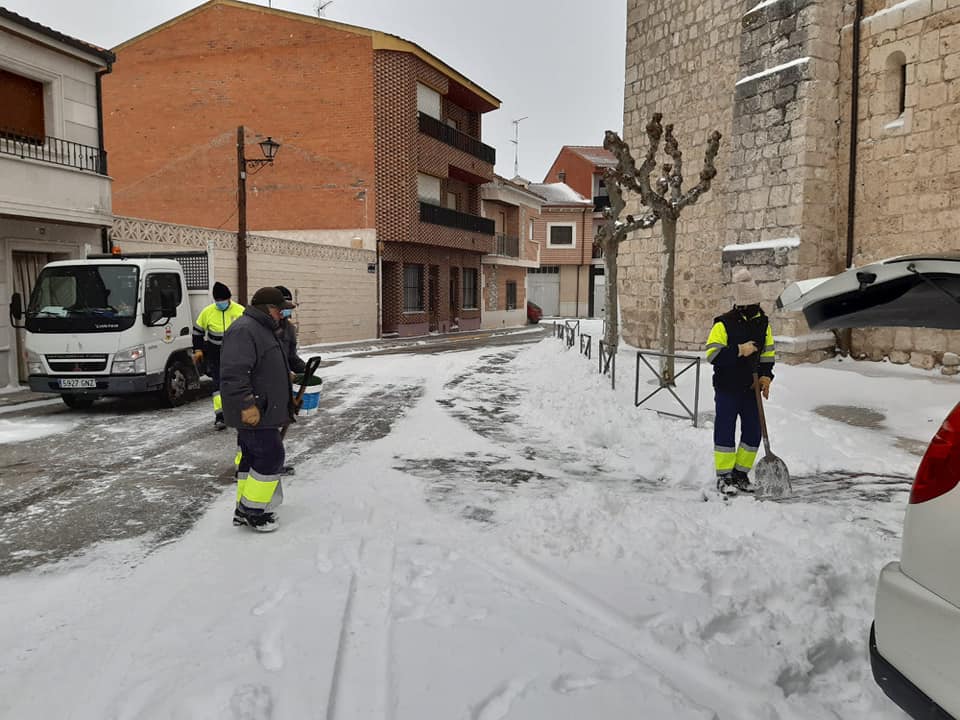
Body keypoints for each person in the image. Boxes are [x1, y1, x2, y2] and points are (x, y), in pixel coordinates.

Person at [220, 286, 297, 532]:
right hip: (254, 410)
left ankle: (244, 509)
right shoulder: (245, 330)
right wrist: (246, 404)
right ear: (269, 309)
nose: (283, 315)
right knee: (271, 455)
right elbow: (233, 373)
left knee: (252, 457)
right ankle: (253, 511)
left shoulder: (263, 329)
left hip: (263, 407)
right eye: (281, 310)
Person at [705, 267, 775, 496]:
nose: (755, 308)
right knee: (725, 431)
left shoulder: (763, 323)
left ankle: (740, 473)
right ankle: (724, 476)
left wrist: (766, 376)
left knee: (753, 432)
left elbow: (767, 353)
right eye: (750, 305)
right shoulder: (723, 323)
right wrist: (738, 350)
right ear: (741, 304)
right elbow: (712, 355)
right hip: (727, 386)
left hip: (751, 388)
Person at [192, 282, 244, 430]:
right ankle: (220, 416)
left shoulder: (240, 311)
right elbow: (197, 332)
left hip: (236, 354)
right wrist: (198, 349)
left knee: (238, 382)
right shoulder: (207, 312)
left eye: (223, 300)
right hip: (215, 354)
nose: (220, 303)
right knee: (218, 385)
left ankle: (239, 412)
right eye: (218, 300)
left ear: (229, 298)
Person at [274, 285, 306, 375]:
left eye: (288, 307)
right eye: (284, 306)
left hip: (281, 378)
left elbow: (291, 357)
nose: (286, 310)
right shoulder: (261, 327)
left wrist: (304, 369)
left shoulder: (289, 328)